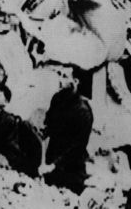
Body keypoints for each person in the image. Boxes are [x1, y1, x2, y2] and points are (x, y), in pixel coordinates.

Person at [39, 66, 93, 194]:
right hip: (51, 164)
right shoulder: (57, 99)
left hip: (71, 170)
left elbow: (77, 147)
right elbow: (47, 128)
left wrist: (54, 165)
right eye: (59, 75)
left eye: (64, 76)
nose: (59, 80)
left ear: (75, 81)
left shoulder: (83, 112)